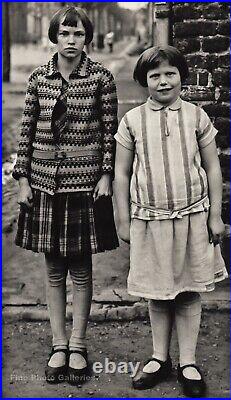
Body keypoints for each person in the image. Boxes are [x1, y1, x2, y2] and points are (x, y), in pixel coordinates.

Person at [12, 6, 119, 385]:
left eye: (78, 35)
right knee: (54, 268)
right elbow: (25, 132)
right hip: (43, 183)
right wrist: (22, 179)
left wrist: (105, 175)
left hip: (84, 184)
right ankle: (58, 343)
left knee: (81, 267)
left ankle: (78, 343)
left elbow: (109, 133)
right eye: (65, 34)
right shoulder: (39, 79)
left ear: (87, 38)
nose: (71, 41)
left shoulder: (101, 79)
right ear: (54, 37)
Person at [114, 45, 228, 397]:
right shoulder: (132, 121)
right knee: (159, 293)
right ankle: (159, 357)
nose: (163, 81)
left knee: (189, 289)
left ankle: (188, 361)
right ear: (143, 81)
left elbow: (212, 166)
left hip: (192, 216)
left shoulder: (196, 116)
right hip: (150, 219)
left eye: (170, 73)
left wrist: (216, 215)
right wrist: (122, 218)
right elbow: (121, 173)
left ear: (182, 76)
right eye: (154, 76)